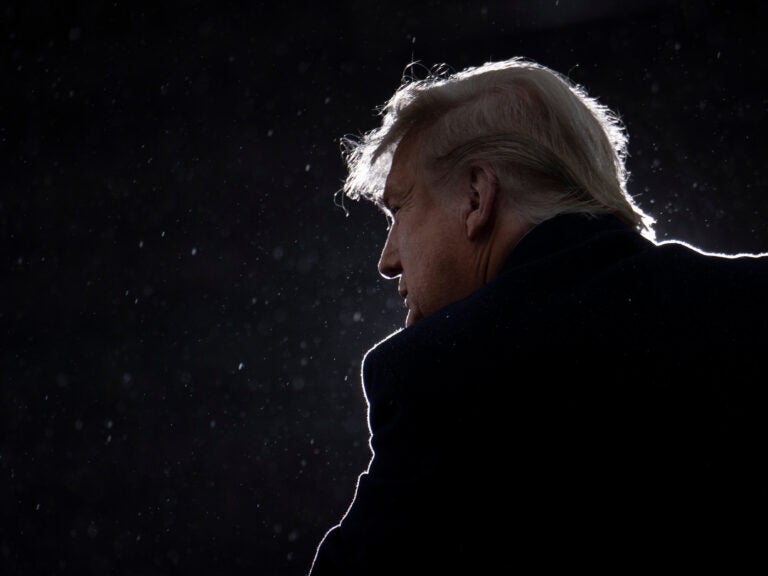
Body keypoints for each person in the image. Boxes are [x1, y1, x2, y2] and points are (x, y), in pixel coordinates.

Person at [308, 57, 768, 574]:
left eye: (399, 209)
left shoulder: (443, 378)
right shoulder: (751, 301)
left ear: (477, 197)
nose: (387, 260)